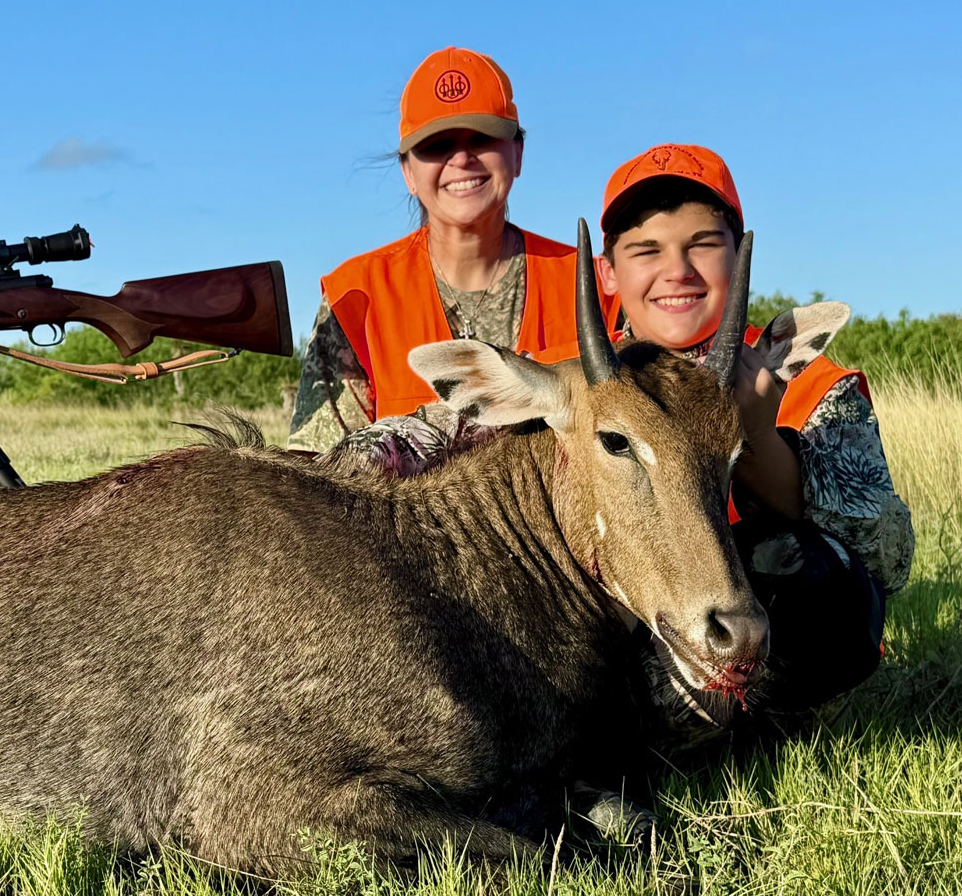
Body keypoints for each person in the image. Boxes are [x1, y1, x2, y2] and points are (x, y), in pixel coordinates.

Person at [321, 142, 915, 752]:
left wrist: (756, 434)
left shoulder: (805, 382)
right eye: (646, 250)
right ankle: (597, 753)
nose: (677, 271)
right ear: (608, 274)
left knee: (829, 586)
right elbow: (408, 441)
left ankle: (745, 733)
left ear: (738, 261)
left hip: (734, 613)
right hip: (603, 642)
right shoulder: (574, 379)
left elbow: (884, 556)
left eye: (704, 245)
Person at [287, 46, 619, 464]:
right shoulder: (355, 297)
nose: (461, 158)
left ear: (517, 154)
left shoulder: (596, 286)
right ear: (408, 172)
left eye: (482, 137)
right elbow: (315, 473)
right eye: (437, 145)